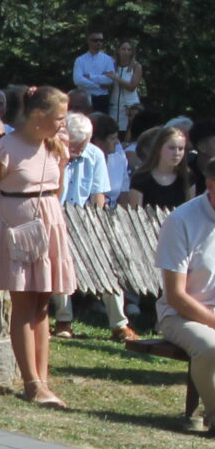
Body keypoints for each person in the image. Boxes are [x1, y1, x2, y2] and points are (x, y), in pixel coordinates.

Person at [0, 86, 78, 408]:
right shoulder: (5, 149)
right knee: (24, 302)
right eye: (59, 117)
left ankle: (43, 378)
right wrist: (0, 226)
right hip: (16, 231)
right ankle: (31, 383)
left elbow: (55, 190)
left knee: (42, 303)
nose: (63, 123)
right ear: (38, 115)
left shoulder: (54, 147)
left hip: (47, 228)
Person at [51, 112, 136, 343]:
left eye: (83, 144)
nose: (78, 150)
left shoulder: (95, 154)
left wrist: (94, 228)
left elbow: (98, 196)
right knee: (59, 261)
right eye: (74, 145)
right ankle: (63, 320)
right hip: (55, 218)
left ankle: (119, 324)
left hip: (85, 218)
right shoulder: (51, 153)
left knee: (107, 264)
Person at [156, 172, 215, 432]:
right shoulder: (181, 220)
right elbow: (175, 295)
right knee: (210, 346)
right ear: (211, 185)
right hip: (181, 315)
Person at [126, 124, 192, 213]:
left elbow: (191, 211)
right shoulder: (141, 179)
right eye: (171, 148)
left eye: (181, 149)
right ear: (159, 148)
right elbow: (135, 214)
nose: (177, 153)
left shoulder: (188, 176)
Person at [72, 29, 115, 108]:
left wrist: (90, 77)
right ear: (88, 41)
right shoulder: (80, 60)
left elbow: (109, 80)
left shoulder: (108, 60)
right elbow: (78, 80)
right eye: (95, 40)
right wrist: (98, 85)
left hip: (102, 99)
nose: (98, 43)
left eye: (101, 40)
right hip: (84, 99)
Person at [109, 40, 143, 130]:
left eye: (129, 50)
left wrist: (116, 78)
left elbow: (132, 87)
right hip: (114, 105)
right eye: (123, 49)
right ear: (118, 50)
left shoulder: (136, 66)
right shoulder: (112, 66)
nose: (126, 52)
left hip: (130, 107)